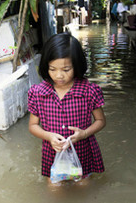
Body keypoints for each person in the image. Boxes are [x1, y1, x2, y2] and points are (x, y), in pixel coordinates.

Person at [27, 32, 106, 186]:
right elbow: (32, 126)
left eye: (66, 69)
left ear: (77, 65)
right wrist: (48, 136)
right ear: (45, 66)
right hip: (52, 152)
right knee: (54, 187)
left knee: (83, 185)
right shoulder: (38, 93)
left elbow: (101, 121)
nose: (59, 75)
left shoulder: (89, 91)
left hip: (82, 150)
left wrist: (84, 133)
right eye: (52, 69)